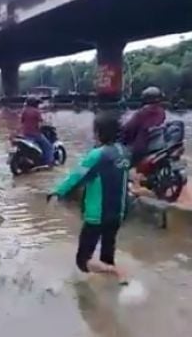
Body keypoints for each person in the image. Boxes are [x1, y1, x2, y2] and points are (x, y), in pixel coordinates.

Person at [47, 112, 130, 284]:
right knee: (107, 255)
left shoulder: (97, 154)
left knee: (83, 261)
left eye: (95, 131)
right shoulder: (124, 152)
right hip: (118, 213)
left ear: (99, 133)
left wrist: (57, 192)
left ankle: (117, 272)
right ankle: (110, 291)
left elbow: (77, 176)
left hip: (96, 215)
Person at [121, 86, 166, 165]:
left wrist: (123, 134)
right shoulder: (161, 111)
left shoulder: (142, 113)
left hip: (141, 148)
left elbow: (129, 128)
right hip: (159, 146)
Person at [21, 96, 54, 166]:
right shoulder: (36, 112)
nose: (38, 105)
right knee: (49, 147)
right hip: (35, 134)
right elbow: (41, 122)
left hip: (26, 133)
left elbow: (22, 121)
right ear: (34, 104)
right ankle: (49, 162)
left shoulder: (24, 111)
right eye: (37, 103)